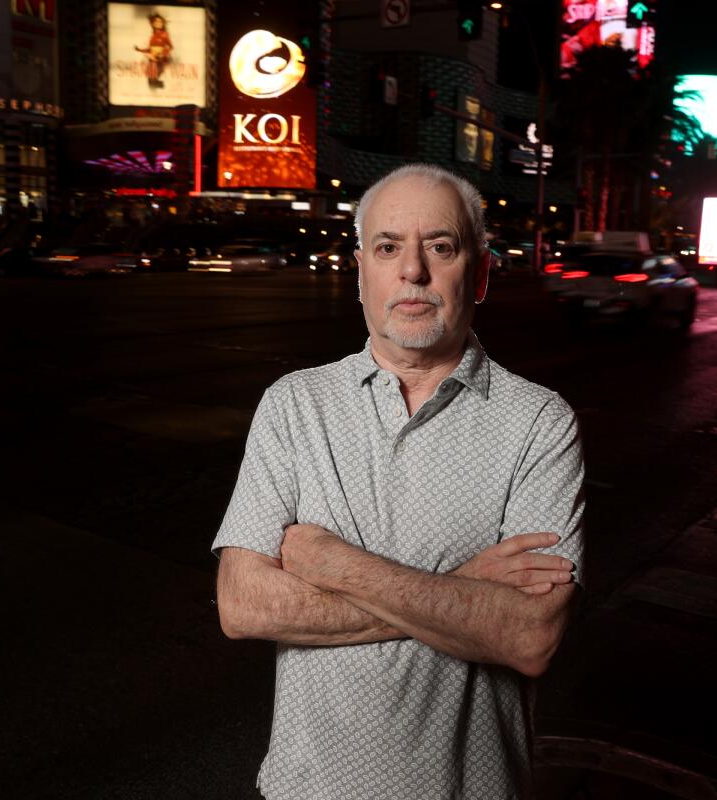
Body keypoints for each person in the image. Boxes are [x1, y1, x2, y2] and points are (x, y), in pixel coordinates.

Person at [213, 163, 584, 799]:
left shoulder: (539, 422)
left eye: (441, 247)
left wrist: (324, 559)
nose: (413, 270)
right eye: (388, 248)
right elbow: (244, 606)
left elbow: (529, 636)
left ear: (483, 273)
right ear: (361, 271)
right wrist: (465, 592)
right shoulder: (294, 405)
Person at [134, 12, 172, 90]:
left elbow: (170, 47)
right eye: (156, 21)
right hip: (152, 57)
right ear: (153, 23)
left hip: (160, 58)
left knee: (154, 72)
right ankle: (153, 85)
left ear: (163, 23)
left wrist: (162, 53)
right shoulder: (152, 35)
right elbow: (149, 49)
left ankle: (155, 84)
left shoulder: (165, 34)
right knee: (150, 75)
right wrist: (139, 50)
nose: (158, 23)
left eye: (160, 21)